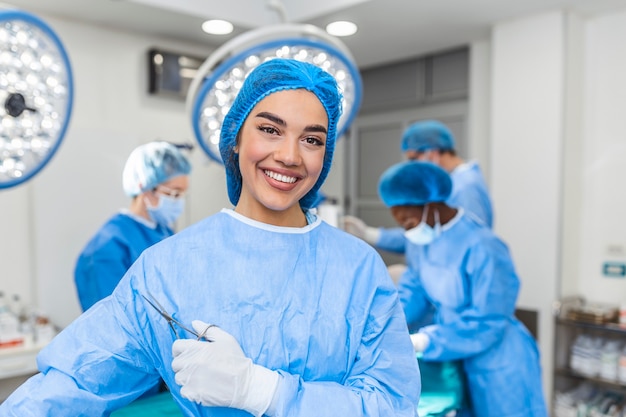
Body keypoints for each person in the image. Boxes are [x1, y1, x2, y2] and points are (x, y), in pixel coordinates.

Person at [0, 59, 420, 416]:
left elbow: (394, 404)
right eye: (270, 129)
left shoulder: (359, 268)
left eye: (311, 139)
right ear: (236, 138)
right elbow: (76, 381)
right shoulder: (169, 268)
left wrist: (263, 390)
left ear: (323, 158)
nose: (290, 155)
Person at [377, 160, 547, 417]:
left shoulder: (484, 247)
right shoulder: (420, 243)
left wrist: (425, 340)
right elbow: (413, 292)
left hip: (499, 362)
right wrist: (385, 325)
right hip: (454, 355)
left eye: (409, 223)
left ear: (431, 205)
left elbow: (488, 321)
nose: (407, 231)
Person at [343, 120, 493, 254]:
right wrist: (370, 234)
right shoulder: (447, 184)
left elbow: (471, 245)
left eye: (414, 159)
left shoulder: (465, 186)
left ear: (433, 153)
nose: (412, 166)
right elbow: (422, 230)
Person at [74, 141, 192, 312]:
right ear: (144, 187)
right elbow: (110, 321)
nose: (178, 201)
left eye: (182, 195)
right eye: (172, 193)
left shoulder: (164, 232)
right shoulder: (107, 247)